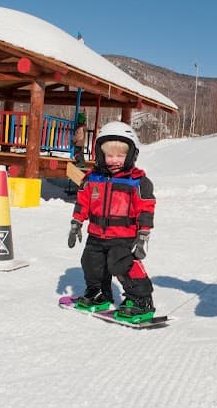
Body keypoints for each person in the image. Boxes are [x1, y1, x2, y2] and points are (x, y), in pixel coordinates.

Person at [67, 121, 157, 321]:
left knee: (121, 265)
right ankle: (99, 293)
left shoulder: (137, 181)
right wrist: (76, 222)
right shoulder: (92, 178)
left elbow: (145, 208)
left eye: (120, 155)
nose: (114, 160)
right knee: (91, 263)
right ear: (101, 155)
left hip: (123, 236)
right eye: (109, 155)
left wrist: (143, 234)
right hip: (96, 233)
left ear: (131, 155)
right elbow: (83, 202)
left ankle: (141, 300)